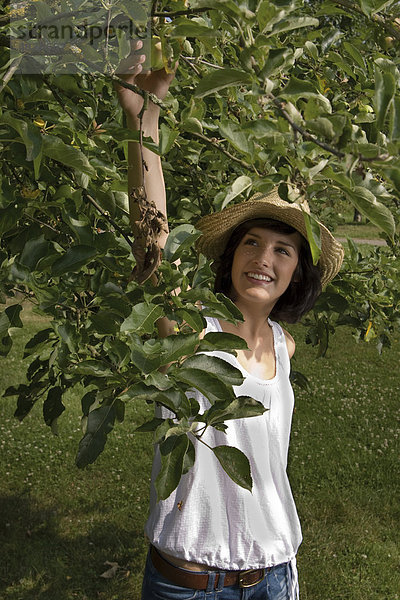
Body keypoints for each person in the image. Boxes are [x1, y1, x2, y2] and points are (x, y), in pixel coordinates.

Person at [115, 40, 344, 600]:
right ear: (230, 256)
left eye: (284, 251)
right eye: (253, 243)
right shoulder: (194, 332)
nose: (264, 259)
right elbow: (153, 248)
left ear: (297, 274)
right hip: (189, 583)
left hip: (274, 574)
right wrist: (145, 124)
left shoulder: (284, 348)